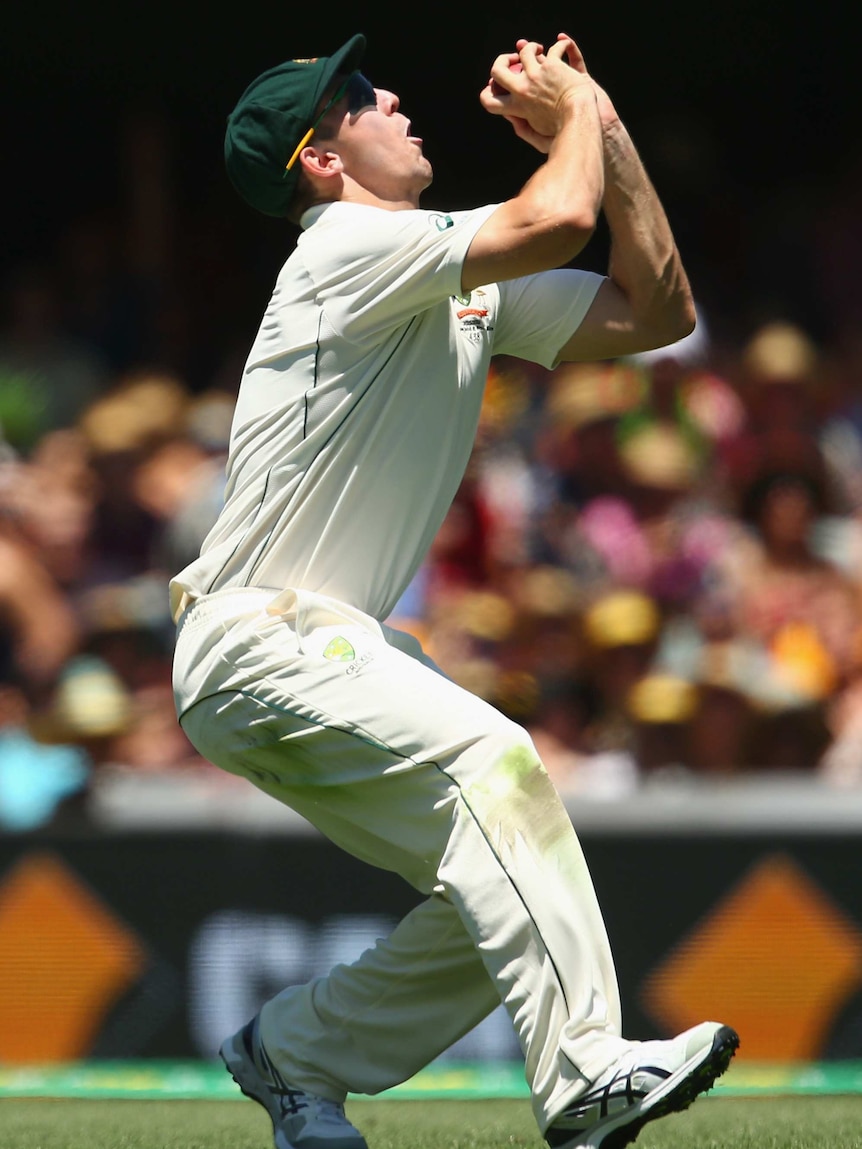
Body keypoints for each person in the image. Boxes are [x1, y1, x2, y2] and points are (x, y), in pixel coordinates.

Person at [169, 30, 739, 1149]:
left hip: (308, 653)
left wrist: (603, 130)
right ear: (320, 163)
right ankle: (583, 1075)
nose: (388, 93)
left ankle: (294, 1054)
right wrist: (576, 108)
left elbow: (657, 312)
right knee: (498, 765)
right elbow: (556, 222)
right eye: (353, 98)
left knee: (496, 879)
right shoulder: (340, 250)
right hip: (261, 639)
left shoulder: (452, 284)